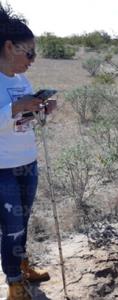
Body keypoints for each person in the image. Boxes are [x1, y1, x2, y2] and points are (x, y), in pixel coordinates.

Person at [0, 3, 56, 299]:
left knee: (22, 221)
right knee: (10, 228)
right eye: (29, 52)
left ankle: (22, 266)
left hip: (28, 162)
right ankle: (14, 284)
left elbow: (27, 121)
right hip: (3, 168)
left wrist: (44, 110)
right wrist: (16, 108)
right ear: (9, 47)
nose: (32, 60)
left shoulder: (22, 80)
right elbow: (11, 114)